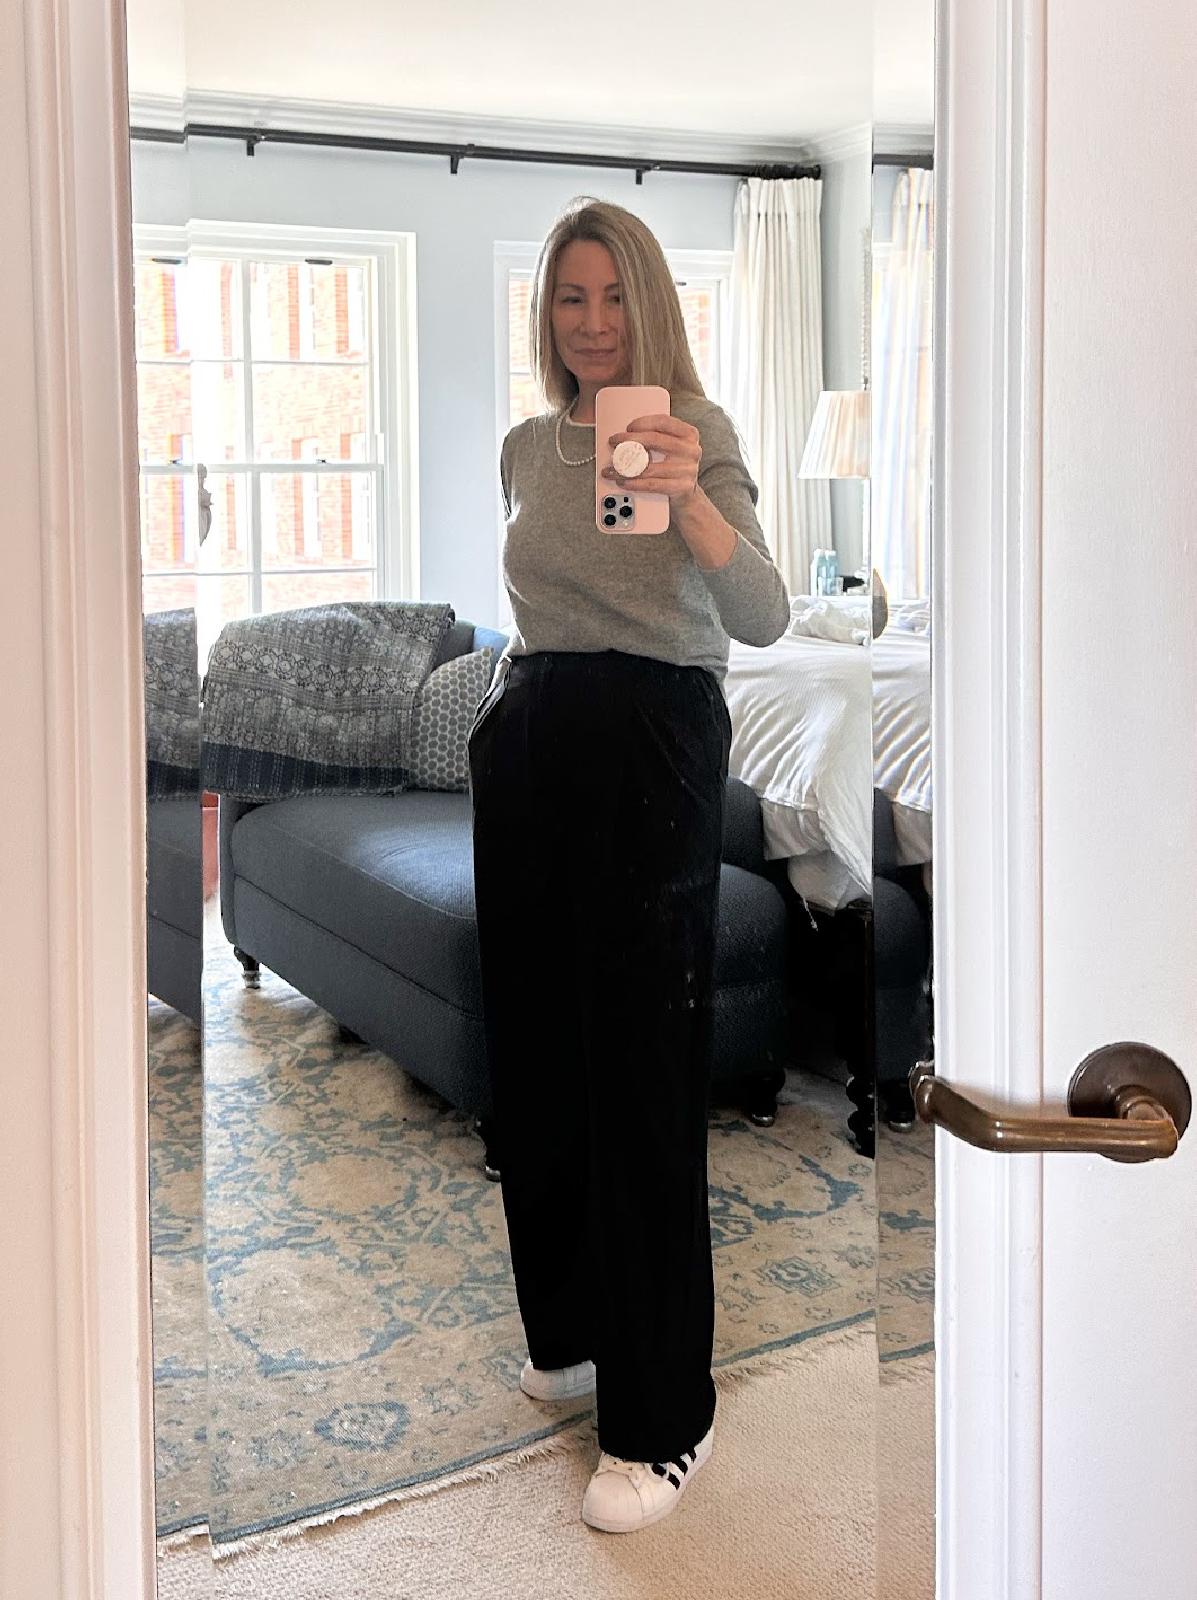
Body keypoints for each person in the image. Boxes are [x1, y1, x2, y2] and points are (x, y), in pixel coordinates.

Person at [468, 197, 790, 1535]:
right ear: (546, 313)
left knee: (642, 1072)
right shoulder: (526, 446)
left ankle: (665, 1420)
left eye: (612, 296)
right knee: (537, 1057)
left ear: (648, 303)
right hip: (531, 732)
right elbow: (543, 598)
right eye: (569, 297)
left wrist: (685, 495)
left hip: (654, 741)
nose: (591, 323)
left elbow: (762, 615)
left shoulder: (696, 431)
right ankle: (572, 1329)